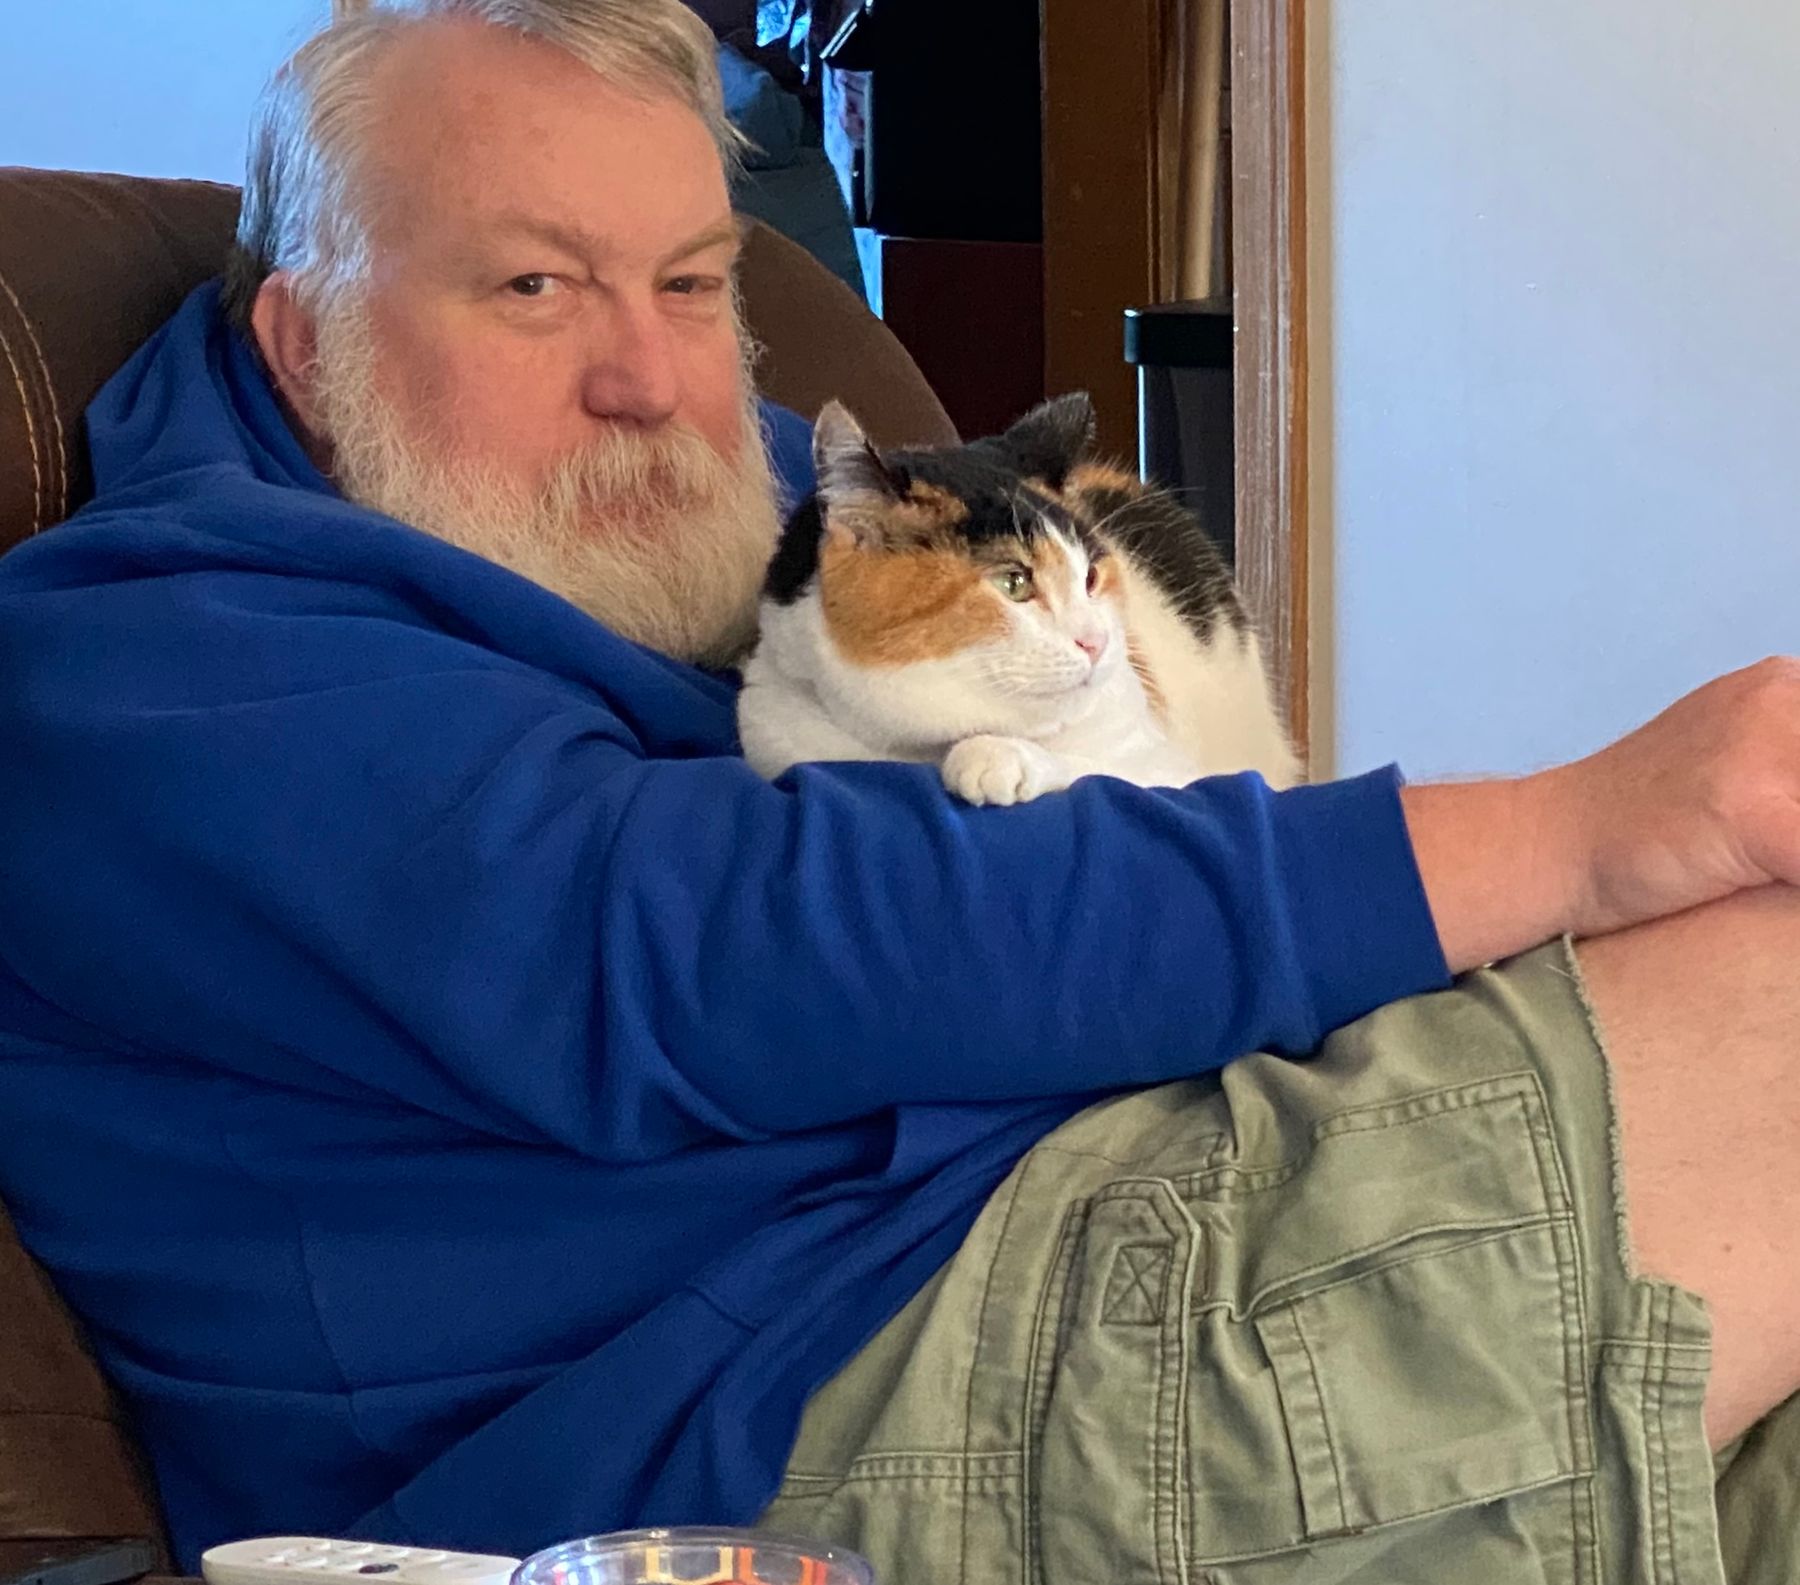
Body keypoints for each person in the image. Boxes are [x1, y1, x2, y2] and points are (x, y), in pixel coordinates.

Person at [0, 3, 1796, 1580]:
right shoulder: (152, 663)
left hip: (1086, 1177)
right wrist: (1581, 829)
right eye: (533, 287)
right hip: (769, 1415)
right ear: (309, 344)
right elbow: (721, 944)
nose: (649, 379)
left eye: (691, 281)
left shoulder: (714, 500)